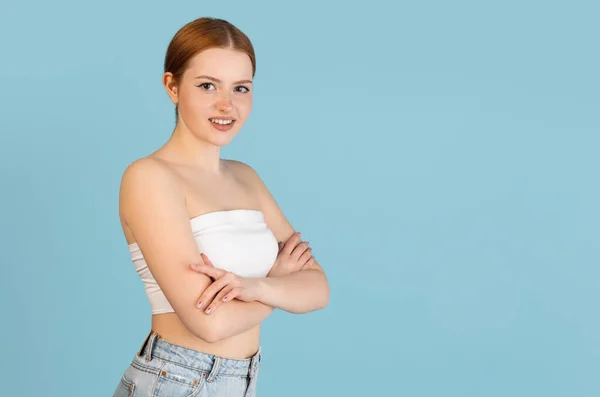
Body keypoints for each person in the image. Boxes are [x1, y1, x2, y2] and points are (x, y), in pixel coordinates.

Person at [112, 17, 330, 397]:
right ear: (172, 86)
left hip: (242, 379)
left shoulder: (246, 177)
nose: (226, 105)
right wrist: (276, 287)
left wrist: (255, 286)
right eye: (207, 85)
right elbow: (208, 324)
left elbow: (318, 289)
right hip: (176, 380)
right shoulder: (149, 177)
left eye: (241, 88)